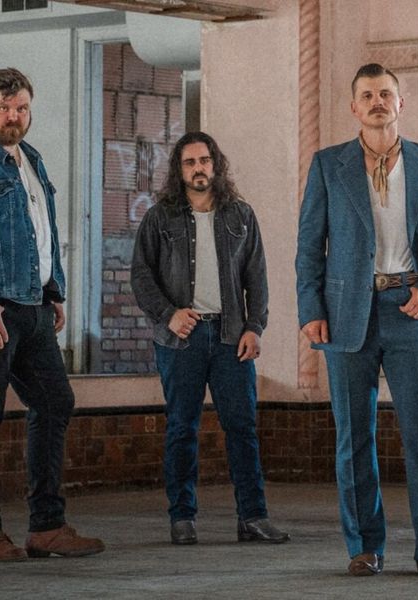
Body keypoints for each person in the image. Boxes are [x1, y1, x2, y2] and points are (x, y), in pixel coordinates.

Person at [295, 63, 418, 578]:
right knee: (354, 438)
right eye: (368, 95)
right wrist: (311, 310)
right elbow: (309, 245)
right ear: (354, 107)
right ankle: (364, 547)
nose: (378, 102)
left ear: (400, 103)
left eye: (386, 94)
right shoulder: (329, 165)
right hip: (347, 313)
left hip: (410, 308)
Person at [0, 67, 104, 561]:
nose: (14, 116)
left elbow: (41, 231)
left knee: (55, 402)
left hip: (31, 308)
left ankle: (46, 527)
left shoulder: (31, 158)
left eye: (22, 108)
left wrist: (54, 291)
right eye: (4, 108)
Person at [131, 131, 289, 546]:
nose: (198, 168)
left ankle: (253, 517)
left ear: (215, 165)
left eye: (204, 160)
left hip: (231, 337)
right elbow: (142, 277)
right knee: (182, 428)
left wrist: (255, 327)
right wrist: (169, 315)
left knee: (242, 427)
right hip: (181, 339)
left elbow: (257, 277)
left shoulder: (240, 215)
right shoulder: (160, 218)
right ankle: (182, 518)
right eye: (190, 162)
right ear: (179, 170)